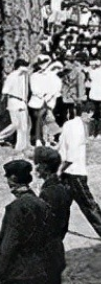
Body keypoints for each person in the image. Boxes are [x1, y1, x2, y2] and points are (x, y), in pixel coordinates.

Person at [0, 159, 53, 284]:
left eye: (7, 177)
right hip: (41, 271)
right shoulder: (41, 204)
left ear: (13, 178)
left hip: (18, 275)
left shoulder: (15, 208)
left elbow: (8, 245)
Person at [58, 100, 101, 238]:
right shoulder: (79, 129)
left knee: (62, 206)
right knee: (90, 206)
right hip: (75, 173)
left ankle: (56, 234)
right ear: (88, 112)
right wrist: (60, 170)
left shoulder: (68, 124)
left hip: (66, 172)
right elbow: (71, 156)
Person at [33, 147, 71, 284]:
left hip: (47, 251)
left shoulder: (48, 193)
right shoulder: (62, 188)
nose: (36, 169)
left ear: (45, 168)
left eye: (38, 165)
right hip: (57, 248)